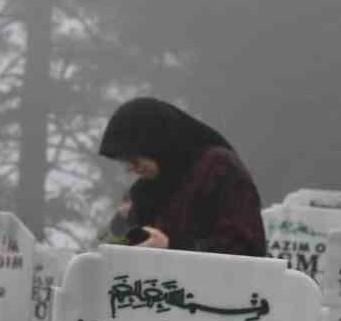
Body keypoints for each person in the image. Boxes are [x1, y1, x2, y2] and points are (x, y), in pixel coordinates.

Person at [98, 97, 267, 256]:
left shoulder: (218, 168)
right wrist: (121, 223)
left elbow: (246, 246)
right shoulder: (145, 191)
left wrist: (172, 246)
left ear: (155, 145)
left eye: (135, 159)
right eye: (126, 163)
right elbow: (115, 247)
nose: (132, 169)